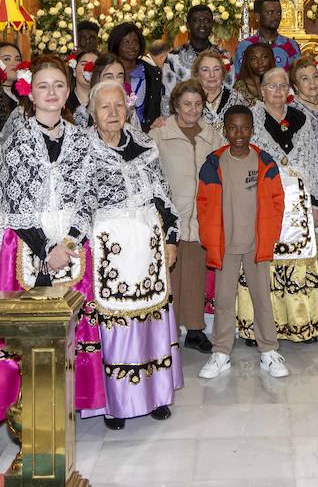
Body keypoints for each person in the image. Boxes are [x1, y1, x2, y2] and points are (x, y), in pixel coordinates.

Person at [0, 57, 103, 416]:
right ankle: (24, 404)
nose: (51, 93)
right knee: (27, 326)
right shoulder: (19, 139)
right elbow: (13, 199)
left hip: (72, 244)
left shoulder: (82, 140)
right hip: (26, 241)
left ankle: (70, 400)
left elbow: (88, 196)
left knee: (75, 324)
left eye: (58, 86)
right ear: (30, 94)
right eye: (43, 86)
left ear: (68, 92)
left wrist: (67, 243)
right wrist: (45, 247)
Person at [85, 80, 183, 428]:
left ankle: (155, 395)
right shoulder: (82, 149)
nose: (113, 113)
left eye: (118, 106)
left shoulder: (144, 144)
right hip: (107, 249)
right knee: (115, 324)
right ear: (92, 113)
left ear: (128, 109)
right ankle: (116, 402)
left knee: (151, 318)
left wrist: (171, 237)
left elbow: (163, 195)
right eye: (104, 107)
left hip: (147, 244)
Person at [197, 105, 288, 380]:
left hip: (255, 245)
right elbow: (202, 203)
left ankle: (269, 351)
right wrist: (210, 238)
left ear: (252, 129)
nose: (239, 133)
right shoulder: (213, 163)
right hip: (225, 246)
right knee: (224, 301)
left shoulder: (265, 162)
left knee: (262, 298)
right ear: (225, 130)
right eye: (233, 128)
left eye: (245, 127)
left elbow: (277, 200)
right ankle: (221, 352)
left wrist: (270, 234)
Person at [242, 68, 318, 344]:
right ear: (262, 90)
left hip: (298, 202)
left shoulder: (301, 118)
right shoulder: (251, 118)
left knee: (297, 262)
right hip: (263, 200)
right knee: (264, 263)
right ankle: (261, 328)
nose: (278, 91)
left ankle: (300, 323)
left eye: (283, 86)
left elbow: (312, 160)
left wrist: (316, 204)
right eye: (272, 86)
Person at [152, 80, 224, 354]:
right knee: (169, 277)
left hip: (200, 216)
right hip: (170, 215)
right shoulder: (160, 133)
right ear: (175, 106)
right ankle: (167, 331)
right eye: (186, 104)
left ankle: (195, 330)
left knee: (194, 275)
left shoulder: (212, 135)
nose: (192, 109)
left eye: (197, 104)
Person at [162, 5, 228, 111]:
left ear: (212, 25)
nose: (202, 25)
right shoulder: (173, 58)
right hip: (185, 120)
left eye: (207, 21)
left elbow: (229, 90)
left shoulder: (224, 57)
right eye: (197, 21)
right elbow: (167, 98)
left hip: (219, 119)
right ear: (188, 25)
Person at [107, 22, 163, 133]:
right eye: (126, 42)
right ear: (116, 44)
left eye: (135, 42)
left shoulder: (151, 73)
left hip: (148, 133)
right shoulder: (107, 72)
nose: (131, 46)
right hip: (113, 131)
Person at [234, 0, 301, 75]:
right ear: (257, 16)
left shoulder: (291, 45)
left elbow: (298, 76)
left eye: (279, 13)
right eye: (270, 13)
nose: (276, 17)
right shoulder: (245, 46)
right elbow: (239, 77)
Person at [193, 49, 240, 124]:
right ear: (197, 73)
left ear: (223, 72)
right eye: (205, 70)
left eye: (216, 69)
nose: (212, 75)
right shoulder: (187, 99)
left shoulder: (236, 99)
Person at [233, 41, 274, 105]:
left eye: (264, 57)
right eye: (254, 59)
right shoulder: (240, 87)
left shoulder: (278, 84)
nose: (260, 62)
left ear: (271, 59)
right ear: (248, 62)